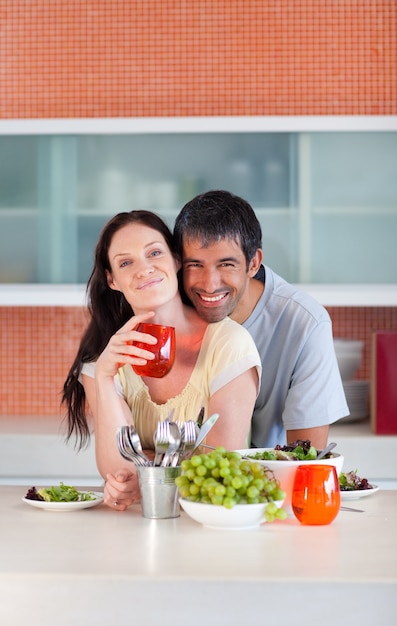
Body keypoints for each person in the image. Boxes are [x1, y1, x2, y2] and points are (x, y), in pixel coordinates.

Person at [62, 210, 261, 509]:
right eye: (126, 262)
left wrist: (149, 470)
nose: (144, 269)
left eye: (154, 253)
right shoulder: (105, 357)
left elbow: (218, 469)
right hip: (138, 530)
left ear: (176, 260)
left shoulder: (229, 344)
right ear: (112, 279)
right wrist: (103, 378)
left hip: (212, 526)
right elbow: (120, 473)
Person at [173, 189, 349, 451]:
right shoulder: (169, 309)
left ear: (253, 263)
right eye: (195, 265)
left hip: (270, 484)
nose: (209, 285)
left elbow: (304, 458)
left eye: (226, 265)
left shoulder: (305, 324)